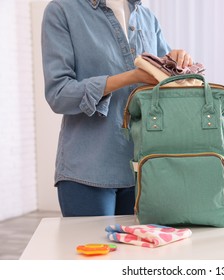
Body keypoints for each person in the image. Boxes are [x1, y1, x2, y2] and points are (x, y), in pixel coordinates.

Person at [41, 0, 193, 217]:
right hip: (88, 170)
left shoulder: (147, 17)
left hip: (145, 170)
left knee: (141, 252)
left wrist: (177, 61)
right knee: (94, 250)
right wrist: (129, 77)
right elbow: (59, 94)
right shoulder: (62, 10)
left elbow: (168, 88)